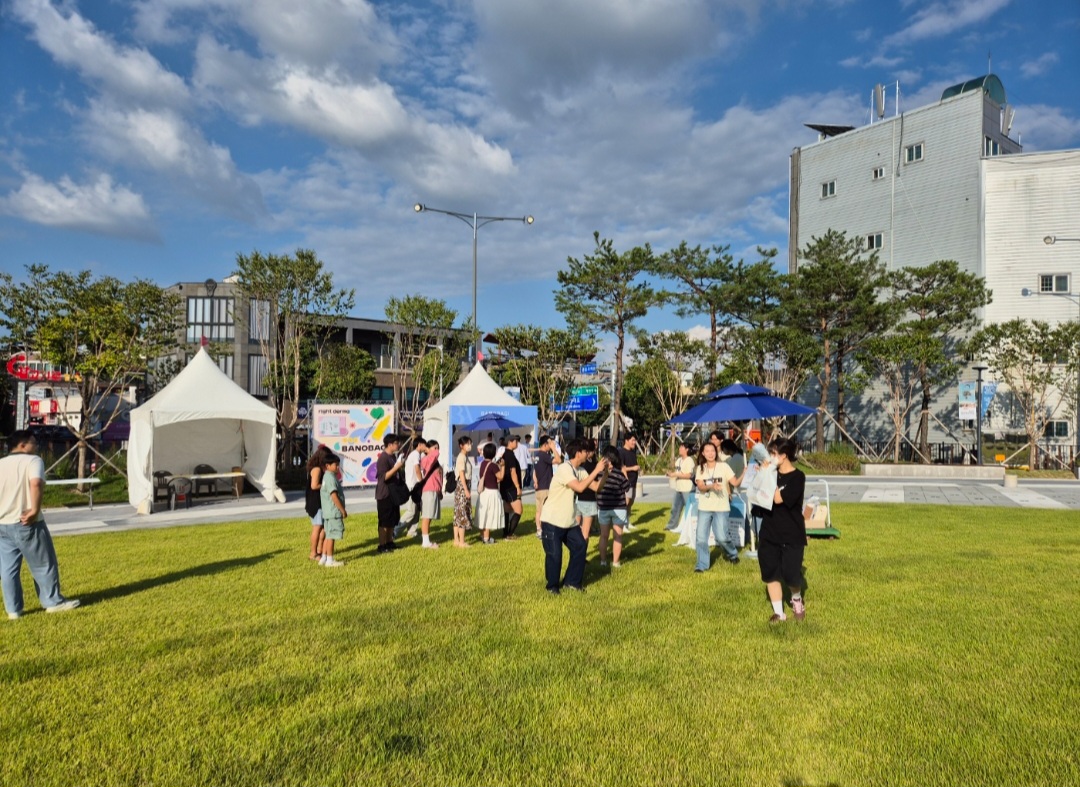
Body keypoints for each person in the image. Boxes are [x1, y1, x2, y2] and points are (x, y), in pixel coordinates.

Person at [0, 430, 80, 619]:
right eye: (33, 443)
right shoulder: (33, 461)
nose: (36, 447)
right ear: (22, 445)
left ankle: (13, 610)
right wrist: (34, 510)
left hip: (2, 524)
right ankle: (53, 602)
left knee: (8, 569)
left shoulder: (1, 464)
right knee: (43, 564)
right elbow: (36, 483)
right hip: (26, 522)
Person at [540, 438, 609, 594]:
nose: (588, 454)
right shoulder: (565, 468)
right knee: (555, 556)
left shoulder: (581, 471)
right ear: (578, 453)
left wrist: (605, 473)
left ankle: (572, 582)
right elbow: (578, 487)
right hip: (552, 520)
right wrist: (596, 470)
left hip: (569, 522)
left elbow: (596, 487)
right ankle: (552, 587)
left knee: (580, 546)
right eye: (586, 451)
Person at [757, 437, 807, 624]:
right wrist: (762, 474)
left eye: (774, 454)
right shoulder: (770, 473)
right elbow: (757, 494)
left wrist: (766, 475)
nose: (770, 457)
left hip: (791, 533)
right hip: (769, 531)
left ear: (784, 456)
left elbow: (778, 499)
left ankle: (796, 599)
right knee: (770, 572)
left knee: (791, 575)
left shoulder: (797, 477)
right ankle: (779, 612)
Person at [693, 442, 744, 572]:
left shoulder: (724, 467)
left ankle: (732, 554)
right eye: (707, 451)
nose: (710, 453)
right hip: (705, 506)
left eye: (713, 451)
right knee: (700, 537)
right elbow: (700, 486)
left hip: (721, 507)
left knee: (722, 536)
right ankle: (702, 565)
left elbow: (735, 482)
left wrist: (744, 472)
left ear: (716, 452)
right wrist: (711, 486)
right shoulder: (700, 468)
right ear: (703, 453)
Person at [596, 444, 632, 568]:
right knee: (617, 536)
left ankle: (602, 561)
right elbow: (627, 488)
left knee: (604, 536)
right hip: (619, 508)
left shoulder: (599, 474)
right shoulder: (619, 474)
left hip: (603, 508)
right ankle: (616, 562)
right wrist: (624, 472)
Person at [374, 433, 406, 553]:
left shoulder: (392, 457)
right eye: (397, 443)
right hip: (384, 494)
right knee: (384, 521)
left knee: (392, 519)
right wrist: (396, 467)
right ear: (390, 444)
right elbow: (383, 477)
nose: (399, 445)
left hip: (393, 494)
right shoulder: (383, 458)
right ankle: (382, 545)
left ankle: (389, 542)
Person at [305, 444, 335, 561]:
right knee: (317, 528)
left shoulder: (321, 469)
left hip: (322, 502)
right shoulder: (316, 469)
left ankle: (320, 550)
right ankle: (313, 553)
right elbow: (314, 485)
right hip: (316, 502)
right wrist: (326, 486)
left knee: (323, 528)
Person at [319, 452, 347, 567]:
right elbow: (334, 496)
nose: (337, 467)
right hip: (333, 512)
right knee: (332, 536)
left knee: (328, 534)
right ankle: (330, 560)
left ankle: (324, 557)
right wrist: (342, 510)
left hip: (328, 512)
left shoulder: (327, 476)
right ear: (327, 466)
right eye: (335, 464)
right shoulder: (330, 477)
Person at [720, 438, 747, 551]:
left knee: (742, 517)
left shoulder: (734, 459)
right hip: (744, 489)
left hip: (739, 491)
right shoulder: (739, 457)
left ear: (726, 449)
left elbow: (729, 478)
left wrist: (728, 492)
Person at [533, 435, 561, 537]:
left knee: (539, 510)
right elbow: (558, 460)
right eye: (549, 444)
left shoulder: (537, 455)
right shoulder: (544, 455)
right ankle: (541, 530)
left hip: (539, 487)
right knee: (544, 510)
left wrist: (535, 481)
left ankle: (538, 529)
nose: (551, 446)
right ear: (545, 444)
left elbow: (535, 471)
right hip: (545, 487)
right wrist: (554, 448)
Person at [475, 442, 504, 544]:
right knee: (489, 515)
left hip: (483, 492)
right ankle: (487, 538)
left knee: (483, 515)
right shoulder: (493, 465)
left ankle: (482, 535)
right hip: (492, 492)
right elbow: (500, 476)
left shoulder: (483, 464)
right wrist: (503, 466)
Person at [399, 437, 428, 537]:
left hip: (415, 487)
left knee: (416, 511)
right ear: (419, 444)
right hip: (412, 487)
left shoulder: (418, 454)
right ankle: (396, 529)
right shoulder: (415, 454)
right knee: (411, 511)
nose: (426, 447)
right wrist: (421, 482)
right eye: (424, 445)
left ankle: (412, 531)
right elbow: (417, 469)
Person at [665, 442, 695, 532]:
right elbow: (678, 472)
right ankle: (671, 525)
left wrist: (675, 474)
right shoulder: (678, 460)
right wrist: (672, 474)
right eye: (680, 447)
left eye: (682, 447)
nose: (680, 449)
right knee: (675, 508)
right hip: (678, 488)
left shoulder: (689, 460)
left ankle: (690, 527)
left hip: (687, 488)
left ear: (687, 450)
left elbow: (689, 475)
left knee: (689, 508)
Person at [418, 440, 443, 549]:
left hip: (434, 490)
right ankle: (425, 541)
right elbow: (435, 454)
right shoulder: (426, 459)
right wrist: (430, 450)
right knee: (426, 516)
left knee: (430, 516)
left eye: (438, 447)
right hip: (428, 490)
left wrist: (440, 490)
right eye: (434, 447)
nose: (436, 450)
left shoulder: (433, 460)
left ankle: (427, 539)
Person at [575, 440, 598, 548]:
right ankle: (581, 556)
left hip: (577, 499)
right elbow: (596, 486)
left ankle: (576, 553)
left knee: (576, 529)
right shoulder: (592, 465)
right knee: (585, 531)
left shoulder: (578, 464)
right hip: (588, 499)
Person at [501, 434, 524, 539]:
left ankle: (505, 532)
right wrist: (518, 487)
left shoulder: (505, 454)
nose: (517, 443)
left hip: (505, 486)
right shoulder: (509, 454)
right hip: (511, 487)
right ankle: (509, 534)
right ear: (510, 442)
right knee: (518, 510)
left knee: (507, 509)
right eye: (515, 441)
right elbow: (513, 472)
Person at [452, 436, 474, 548]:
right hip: (462, 486)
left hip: (462, 486)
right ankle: (461, 541)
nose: (469, 445)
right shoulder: (462, 457)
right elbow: (461, 474)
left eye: (470, 443)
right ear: (461, 446)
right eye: (467, 443)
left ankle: (456, 540)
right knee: (462, 513)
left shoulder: (464, 457)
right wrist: (466, 489)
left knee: (458, 513)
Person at [617, 433, 641, 529]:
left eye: (635, 440)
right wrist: (633, 468)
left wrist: (637, 469)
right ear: (626, 440)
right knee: (625, 503)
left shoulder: (633, 452)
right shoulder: (621, 452)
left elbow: (634, 465)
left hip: (634, 481)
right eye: (632, 440)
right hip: (626, 482)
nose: (634, 442)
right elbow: (620, 468)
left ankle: (628, 522)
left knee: (630, 503)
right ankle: (622, 524)